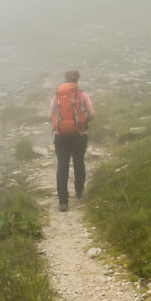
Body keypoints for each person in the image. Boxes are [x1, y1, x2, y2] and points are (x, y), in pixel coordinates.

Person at [49, 69, 95, 212]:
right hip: (80, 135)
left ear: (65, 79)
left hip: (61, 136)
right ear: (77, 80)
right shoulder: (83, 95)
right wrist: (81, 122)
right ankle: (79, 191)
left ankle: (63, 202)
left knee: (62, 166)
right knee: (78, 162)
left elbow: (50, 116)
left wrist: (62, 124)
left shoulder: (57, 96)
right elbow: (92, 114)